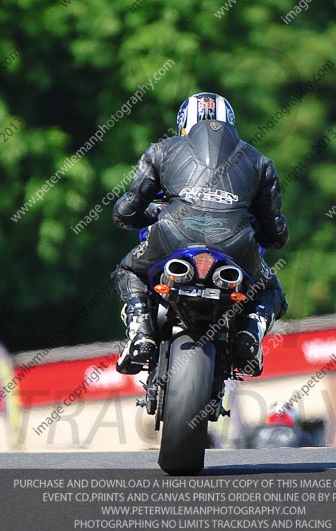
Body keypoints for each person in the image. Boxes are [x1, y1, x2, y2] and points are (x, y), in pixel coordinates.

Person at [110, 92, 288, 376]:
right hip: (236, 247)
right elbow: (276, 233)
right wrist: (257, 230)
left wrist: (153, 213)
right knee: (270, 290)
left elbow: (125, 212)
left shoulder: (161, 150)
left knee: (128, 271)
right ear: (230, 121)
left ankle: (140, 332)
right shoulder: (259, 161)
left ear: (183, 123)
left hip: (172, 236)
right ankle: (249, 336)